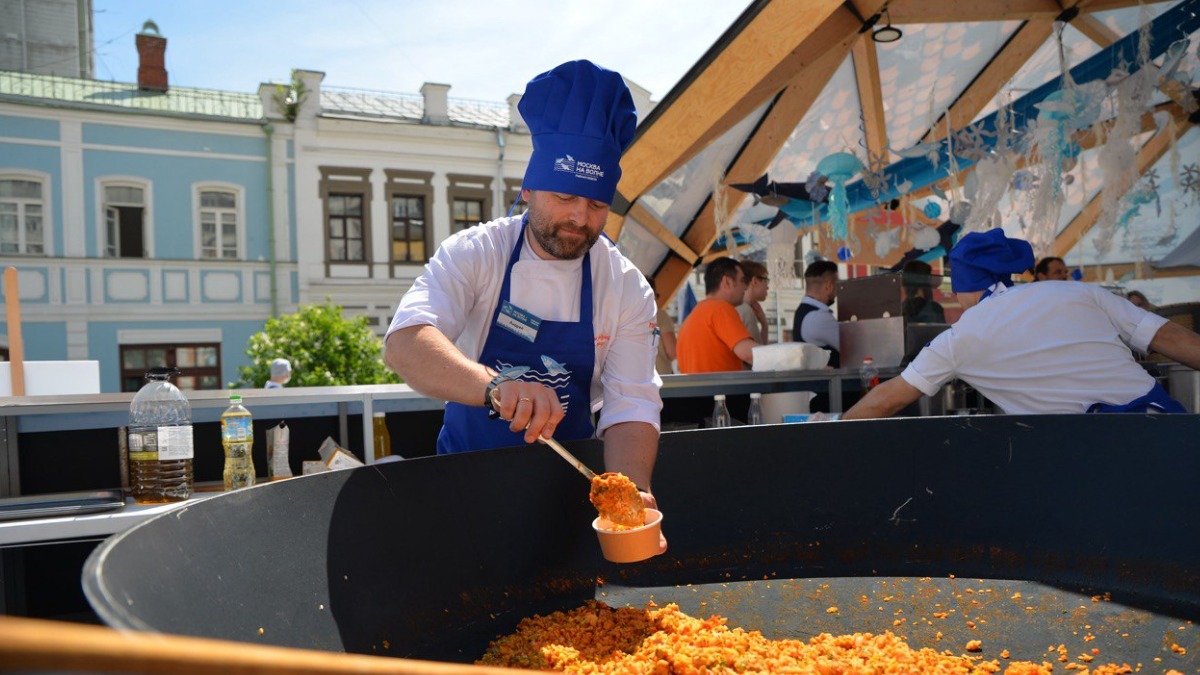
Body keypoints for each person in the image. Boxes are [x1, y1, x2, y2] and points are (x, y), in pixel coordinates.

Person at [384, 61, 663, 540]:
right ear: (529, 189)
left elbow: (631, 404)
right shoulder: (477, 252)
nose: (579, 218)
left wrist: (630, 498)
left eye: (597, 205)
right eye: (564, 197)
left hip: (568, 503)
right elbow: (406, 344)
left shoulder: (625, 286)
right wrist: (494, 387)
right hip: (465, 487)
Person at [844, 229, 1200, 419]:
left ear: (966, 286)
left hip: (1092, 457)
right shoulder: (1075, 291)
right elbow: (1168, 336)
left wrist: (830, 432)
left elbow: (886, 402)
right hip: (1165, 426)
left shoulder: (961, 337)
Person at [675, 257, 756, 373]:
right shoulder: (721, 309)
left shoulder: (689, 320)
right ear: (727, 282)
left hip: (698, 391)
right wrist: (788, 355)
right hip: (724, 390)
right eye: (742, 281)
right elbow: (749, 354)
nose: (746, 287)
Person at [793, 260, 840, 367]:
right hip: (831, 383)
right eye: (837, 284)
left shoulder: (802, 311)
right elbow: (852, 348)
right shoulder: (818, 317)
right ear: (829, 286)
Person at [645, 275, 677, 375]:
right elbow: (672, 352)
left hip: (634, 381)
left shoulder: (625, 317)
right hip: (661, 379)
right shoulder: (661, 316)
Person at [737, 260, 771, 345]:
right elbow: (758, 354)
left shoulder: (740, 307)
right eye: (766, 281)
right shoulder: (745, 310)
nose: (767, 287)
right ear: (755, 281)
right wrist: (764, 325)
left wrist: (764, 325)